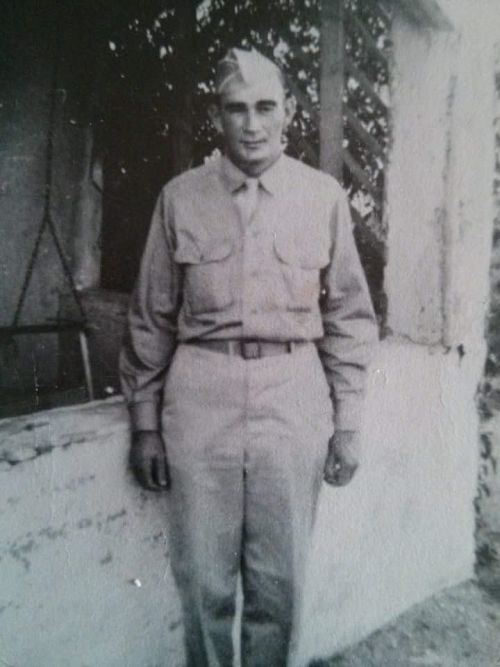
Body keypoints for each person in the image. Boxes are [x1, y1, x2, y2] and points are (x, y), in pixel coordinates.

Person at [120, 47, 378, 667]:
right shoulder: (180, 198)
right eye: (237, 109)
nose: (253, 124)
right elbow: (151, 316)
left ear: (288, 112)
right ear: (218, 116)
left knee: (279, 584)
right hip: (200, 395)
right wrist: (146, 424)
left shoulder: (322, 197)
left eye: (266, 107)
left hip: (292, 393)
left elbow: (349, 318)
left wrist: (347, 423)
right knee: (203, 584)